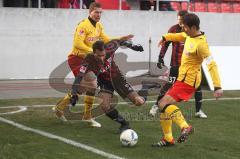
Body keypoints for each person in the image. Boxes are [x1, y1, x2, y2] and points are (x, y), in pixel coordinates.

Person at [53, 2, 133, 127]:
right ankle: (72, 110)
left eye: (101, 12)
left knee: (88, 87)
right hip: (77, 58)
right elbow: (77, 44)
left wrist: (120, 38)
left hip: (89, 58)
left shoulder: (99, 26)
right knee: (92, 83)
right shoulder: (83, 25)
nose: (99, 14)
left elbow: (106, 39)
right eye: (96, 12)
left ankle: (82, 114)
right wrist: (94, 53)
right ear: (90, 12)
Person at [152, 13, 223, 147]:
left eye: (185, 27)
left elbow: (211, 64)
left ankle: (185, 127)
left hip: (188, 81)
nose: (183, 29)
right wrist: (165, 37)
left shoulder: (201, 44)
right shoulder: (188, 34)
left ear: (194, 27)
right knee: (164, 106)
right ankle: (168, 139)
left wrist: (217, 86)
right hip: (182, 78)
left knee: (162, 103)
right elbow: (179, 36)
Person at [60, 40, 145, 132]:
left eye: (103, 55)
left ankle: (145, 88)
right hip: (105, 82)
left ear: (106, 51)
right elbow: (80, 76)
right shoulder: (88, 60)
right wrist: (74, 93)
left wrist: (133, 46)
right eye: (98, 56)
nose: (101, 58)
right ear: (93, 53)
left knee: (138, 102)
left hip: (117, 79)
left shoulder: (110, 48)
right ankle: (124, 124)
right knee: (104, 106)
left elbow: (119, 41)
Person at [149, 10, 207, 119]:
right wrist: (160, 57)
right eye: (178, 20)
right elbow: (166, 43)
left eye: (182, 20)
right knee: (168, 85)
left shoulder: (194, 33)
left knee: (197, 87)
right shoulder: (174, 29)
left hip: (190, 69)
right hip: (175, 64)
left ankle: (198, 110)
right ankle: (156, 105)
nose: (180, 22)